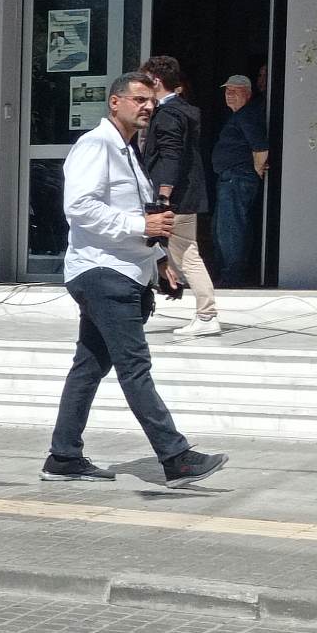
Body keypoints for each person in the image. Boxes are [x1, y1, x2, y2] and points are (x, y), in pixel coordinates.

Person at [43, 73, 229, 489]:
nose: (148, 106)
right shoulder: (96, 145)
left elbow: (135, 215)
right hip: (103, 272)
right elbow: (80, 207)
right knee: (134, 366)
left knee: (88, 367)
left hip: (121, 269)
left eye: (151, 101)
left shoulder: (126, 150)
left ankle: (63, 456)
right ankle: (176, 457)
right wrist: (140, 225)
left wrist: (159, 259)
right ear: (115, 102)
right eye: (139, 99)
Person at [138, 56, 218, 337]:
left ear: (156, 81)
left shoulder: (168, 115)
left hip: (176, 198)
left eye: (146, 80)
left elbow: (171, 156)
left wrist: (163, 196)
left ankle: (207, 314)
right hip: (186, 195)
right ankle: (189, 302)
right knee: (178, 252)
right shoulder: (183, 110)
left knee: (186, 255)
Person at [212, 75, 268, 286]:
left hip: (237, 178)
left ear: (248, 94)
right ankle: (227, 272)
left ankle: (232, 275)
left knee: (231, 228)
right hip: (230, 178)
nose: (230, 95)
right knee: (223, 227)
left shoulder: (246, 115)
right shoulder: (238, 116)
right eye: (228, 91)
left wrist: (257, 170)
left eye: (235, 91)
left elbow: (260, 147)